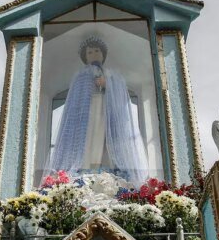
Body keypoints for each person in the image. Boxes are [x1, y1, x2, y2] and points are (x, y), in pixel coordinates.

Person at [47, 36, 148, 184]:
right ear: (85, 57)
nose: (94, 54)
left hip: (107, 111)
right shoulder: (80, 76)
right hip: (87, 114)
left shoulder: (113, 75)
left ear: (103, 54)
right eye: (89, 52)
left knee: (105, 138)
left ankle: (107, 166)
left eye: (96, 51)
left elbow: (121, 93)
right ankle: (89, 166)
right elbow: (75, 101)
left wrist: (108, 84)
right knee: (91, 137)